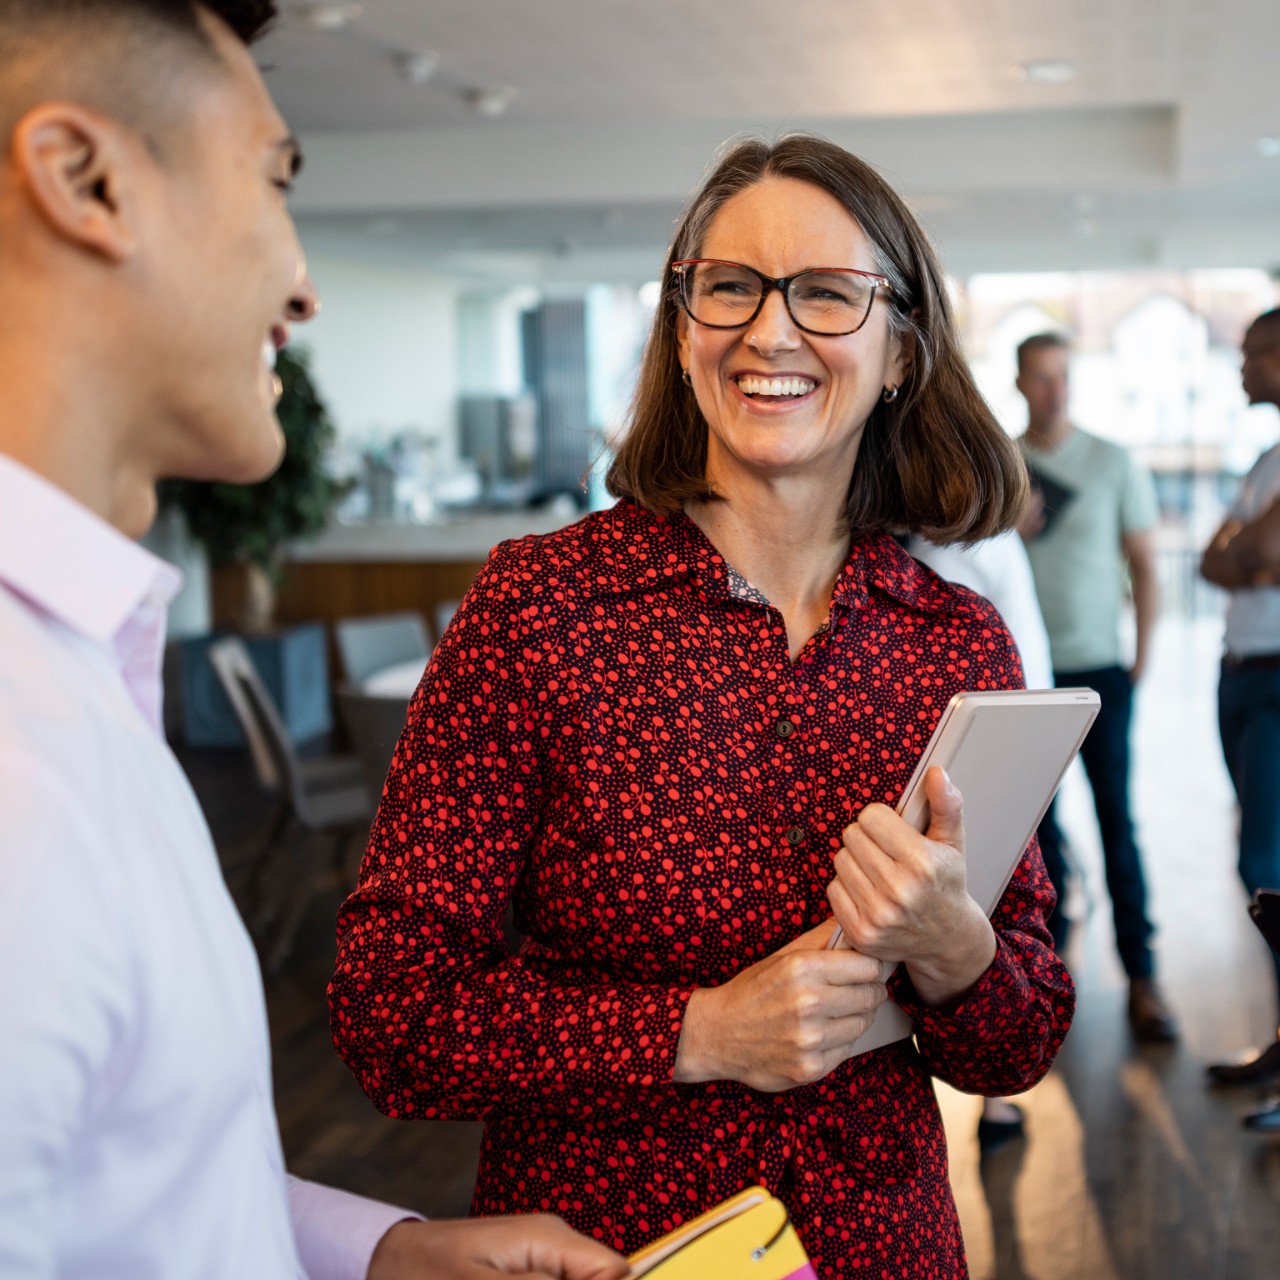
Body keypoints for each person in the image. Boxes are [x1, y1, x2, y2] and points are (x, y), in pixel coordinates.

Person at [330, 134, 1074, 1279]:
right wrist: (696, 1032)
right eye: (728, 287)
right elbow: (392, 1013)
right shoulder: (538, 606)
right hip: (608, 1248)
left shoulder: (954, 639)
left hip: (881, 1245)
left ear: (897, 354)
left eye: (827, 294)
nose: (768, 332)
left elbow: (1019, 1039)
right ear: (682, 334)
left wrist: (953, 945)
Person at [0, 4, 627, 1279]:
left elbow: (139, 1183)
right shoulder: (22, 760)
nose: (302, 282)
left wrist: (381, 1250)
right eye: (275, 179)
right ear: (86, 180)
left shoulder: (85, 673)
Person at [1014, 332, 1177, 1042]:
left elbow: (1143, 560)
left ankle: (1143, 978)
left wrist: (1141, 654)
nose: (1056, 391)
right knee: (1034, 836)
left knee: (1117, 821)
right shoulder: (1001, 466)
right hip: (1021, 679)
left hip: (1099, 669)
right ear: (1020, 383)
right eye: (1043, 379)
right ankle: (1047, 982)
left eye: (1064, 378)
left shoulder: (1111, 462)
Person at [908, 529, 1055, 1153]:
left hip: (1000, 742)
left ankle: (997, 1108)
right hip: (968, 744)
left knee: (993, 905)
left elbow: (1026, 663)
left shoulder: (973, 573)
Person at [1200, 308, 1280, 1118]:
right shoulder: (1266, 459)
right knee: (1261, 865)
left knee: (1269, 864)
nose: (1242, 366)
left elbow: (1259, 553)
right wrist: (1244, 556)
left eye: (1255, 353)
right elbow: (1219, 560)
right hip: (1244, 671)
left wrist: (1247, 555)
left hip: (1277, 678)